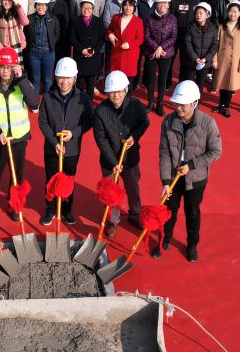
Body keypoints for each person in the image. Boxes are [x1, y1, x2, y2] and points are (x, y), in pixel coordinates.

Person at [152, 80, 222, 262]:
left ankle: (192, 245)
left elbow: (215, 151)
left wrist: (191, 165)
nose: (178, 108)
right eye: (176, 103)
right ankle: (163, 241)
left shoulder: (208, 123)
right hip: (173, 177)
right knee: (168, 212)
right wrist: (165, 182)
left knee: (193, 213)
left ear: (194, 103)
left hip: (196, 179)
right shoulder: (168, 122)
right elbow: (164, 153)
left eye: (183, 105)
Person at [38, 57, 94, 226]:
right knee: (51, 178)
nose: (64, 81)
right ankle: (50, 209)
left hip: (72, 149)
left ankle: (67, 209)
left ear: (74, 78)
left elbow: (88, 121)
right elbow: (42, 122)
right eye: (61, 77)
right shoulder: (48, 97)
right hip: (52, 148)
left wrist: (74, 133)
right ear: (55, 77)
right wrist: (54, 142)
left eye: (68, 77)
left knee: (68, 180)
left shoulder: (83, 98)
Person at [93, 71, 149, 237]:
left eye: (119, 91)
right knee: (110, 192)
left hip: (130, 159)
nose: (116, 95)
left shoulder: (136, 105)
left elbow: (144, 122)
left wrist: (134, 137)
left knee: (133, 187)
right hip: (109, 161)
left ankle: (135, 214)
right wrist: (113, 162)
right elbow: (101, 139)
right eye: (112, 92)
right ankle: (112, 220)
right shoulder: (100, 111)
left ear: (126, 90)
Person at [0, 47, 38, 219]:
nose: (5, 71)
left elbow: (34, 103)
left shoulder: (22, 82)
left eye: (8, 67)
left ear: (15, 66)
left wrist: (21, 78)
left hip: (19, 137)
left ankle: (14, 204)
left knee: (17, 176)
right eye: (2, 67)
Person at [211, 0, 240, 118]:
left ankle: (226, 107)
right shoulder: (222, 27)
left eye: (235, 11)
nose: (233, 14)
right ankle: (221, 105)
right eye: (231, 11)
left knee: (230, 85)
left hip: (235, 62)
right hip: (222, 60)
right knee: (222, 83)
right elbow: (215, 44)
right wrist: (214, 60)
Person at [143, 0, 177, 115]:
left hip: (166, 54)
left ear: (168, 5)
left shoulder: (172, 19)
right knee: (150, 79)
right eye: (160, 3)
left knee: (163, 80)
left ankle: (160, 104)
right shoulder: (149, 18)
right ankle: (150, 103)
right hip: (151, 53)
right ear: (156, 4)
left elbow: (173, 36)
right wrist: (155, 48)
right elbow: (146, 36)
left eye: (165, 3)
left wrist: (161, 47)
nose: (162, 5)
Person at [68, 0, 105, 100]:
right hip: (80, 57)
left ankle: (89, 104)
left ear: (93, 9)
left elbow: (102, 38)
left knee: (90, 85)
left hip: (93, 58)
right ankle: (78, 104)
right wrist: (82, 50)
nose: (87, 10)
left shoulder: (98, 21)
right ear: (80, 8)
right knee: (79, 84)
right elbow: (72, 38)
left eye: (89, 8)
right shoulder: (75, 21)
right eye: (84, 7)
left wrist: (94, 50)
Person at [106, 0, 144, 93]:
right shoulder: (116, 18)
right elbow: (109, 29)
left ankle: (127, 99)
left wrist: (130, 44)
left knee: (128, 81)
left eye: (131, 5)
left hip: (130, 55)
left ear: (134, 7)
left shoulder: (138, 21)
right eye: (126, 5)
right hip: (117, 53)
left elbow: (140, 39)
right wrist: (110, 34)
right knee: (116, 79)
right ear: (122, 6)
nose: (128, 8)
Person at [25, 0, 60, 98]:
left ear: (47, 6)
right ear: (35, 5)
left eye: (43, 5)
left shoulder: (53, 19)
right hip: (34, 53)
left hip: (48, 53)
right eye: (38, 5)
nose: (41, 7)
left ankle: (47, 101)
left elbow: (57, 34)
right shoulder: (29, 18)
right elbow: (26, 34)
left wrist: (51, 45)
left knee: (47, 79)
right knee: (35, 78)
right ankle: (34, 101)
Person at [0, 0, 30, 70]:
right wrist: (2, 49)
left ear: (13, 1)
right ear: (1, 0)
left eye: (10, 0)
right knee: (4, 71)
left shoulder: (17, 13)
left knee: (16, 72)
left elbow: (25, 22)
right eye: (5, 0)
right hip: (2, 49)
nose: (7, 2)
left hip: (16, 48)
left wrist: (18, 7)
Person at [183, 2, 219, 94]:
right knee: (188, 85)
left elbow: (214, 45)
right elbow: (188, 44)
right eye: (196, 13)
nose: (198, 15)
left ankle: (198, 102)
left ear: (207, 15)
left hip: (204, 63)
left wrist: (206, 59)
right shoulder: (190, 27)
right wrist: (195, 58)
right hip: (191, 62)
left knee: (200, 85)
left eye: (201, 13)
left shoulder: (213, 28)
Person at [169, 0, 199, 85]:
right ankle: (167, 82)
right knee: (169, 60)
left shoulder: (196, 1)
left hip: (188, 36)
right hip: (173, 35)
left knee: (185, 61)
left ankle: (182, 83)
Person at [136, 0, 161, 89]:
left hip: (152, 37)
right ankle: (135, 81)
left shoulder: (160, 0)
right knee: (137, 59)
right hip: (140, 34)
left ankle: (146, 82)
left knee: (149, 60)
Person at [45, 0, 70, 64]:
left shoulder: (63, 4)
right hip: (45, 41)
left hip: (59, 41)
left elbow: (65, 24)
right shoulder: (42, 4)